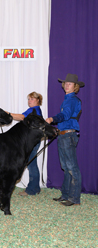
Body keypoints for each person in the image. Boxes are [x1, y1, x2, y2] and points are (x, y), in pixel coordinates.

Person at [46, 73, 84, 206]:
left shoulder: (72, 100)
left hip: (68, 135)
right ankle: (66, 195)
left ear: (75, 87)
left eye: (70, 84)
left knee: (72, 167)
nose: (67, 85)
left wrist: (52, 119)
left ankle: (74, 199)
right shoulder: (67, 99)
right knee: (66, 167)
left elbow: (65, 115)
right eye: (66, 83)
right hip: (64, 134)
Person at [7, 92, 43, 196]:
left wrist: (8, 114)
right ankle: (35, 188)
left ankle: (31, 190)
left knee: (31, 164)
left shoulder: (34, 110)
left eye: (32, 99)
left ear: (38, 100)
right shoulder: (35, 110)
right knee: (32, 164)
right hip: (34, 140)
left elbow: (22, 117)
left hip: (32, 141)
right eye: (29, 99)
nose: (29, 101)